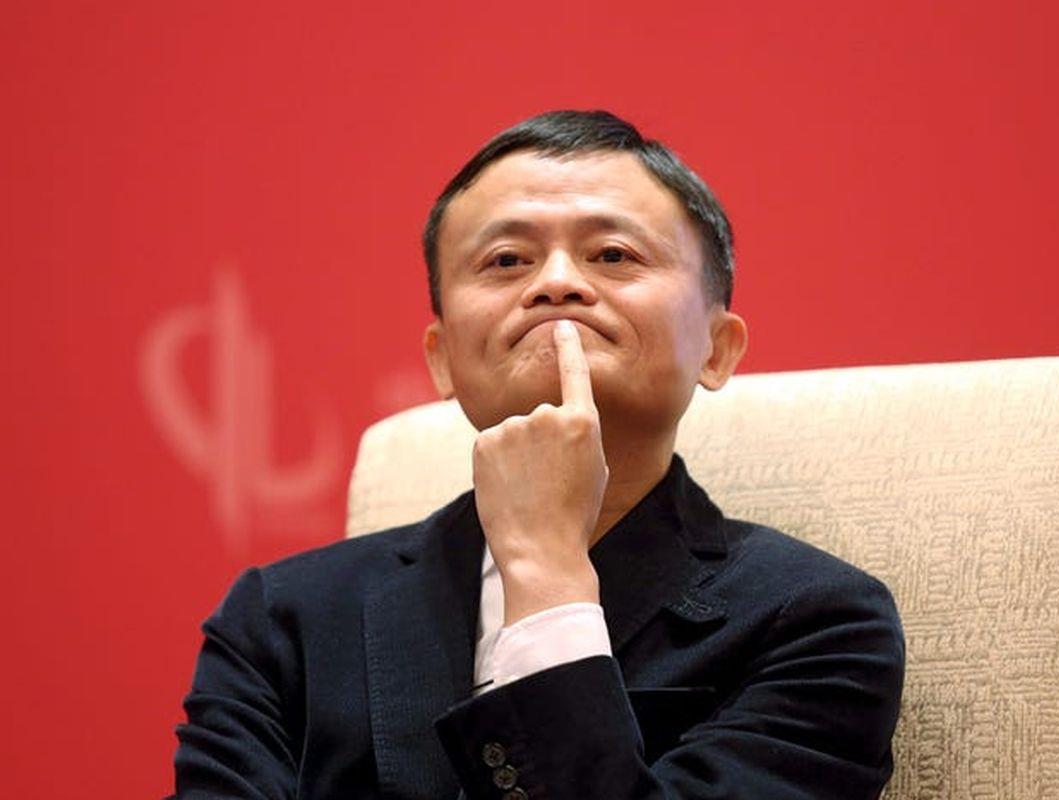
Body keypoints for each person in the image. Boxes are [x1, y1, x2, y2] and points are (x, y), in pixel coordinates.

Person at [173, 110, 905, 799]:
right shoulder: (281, 620)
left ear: (717, 349)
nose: (556, 282)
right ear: (442, 360)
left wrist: (545, 571)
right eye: (506, 260)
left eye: (612, 254)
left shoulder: (819, 623)